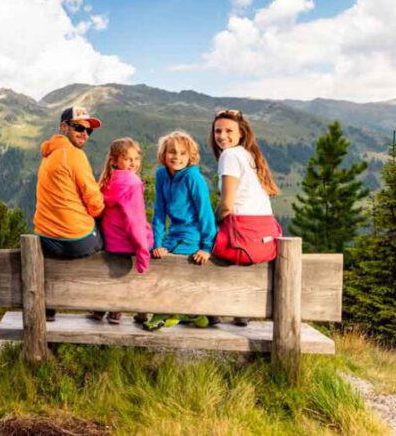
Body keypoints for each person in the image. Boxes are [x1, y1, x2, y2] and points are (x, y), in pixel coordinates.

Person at [209, 109, 282, 326]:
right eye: (217, 131)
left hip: (243, 236)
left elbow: (227, 206)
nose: (222, 136)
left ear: (241, 133)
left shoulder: (229, 155)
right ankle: (241, 308)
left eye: (228, 130)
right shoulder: (249, 155)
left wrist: (211, 222)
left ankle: (208, 309)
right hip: (265, 236)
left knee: (199, 242)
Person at [34, 105, 106, 321]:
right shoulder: (74, 155)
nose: (84, 133)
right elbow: (95, 203)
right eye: (78, 127)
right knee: (110, 232)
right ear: (64, 126)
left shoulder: (49, 153)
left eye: (88, 130)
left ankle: (49, 306)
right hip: (75, 240)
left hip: (45, 238)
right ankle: (103, 303)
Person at [143, 131, 217, 330]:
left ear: (190, 156)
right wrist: (157, 243)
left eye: (183, 153)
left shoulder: (194, 178)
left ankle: (167, 312)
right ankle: (188, 314)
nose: (177, 157)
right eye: (172, 152)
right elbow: (159, 211)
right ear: (163, 154)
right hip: (172, 235)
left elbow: (206, 214)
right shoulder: (161, 175)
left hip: (193, 235)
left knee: (174, 267)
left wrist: (207, 247)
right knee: (155, 257)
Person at [87, 138, 153, 325]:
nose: (133, 163)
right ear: (115, 160)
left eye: (136, 159)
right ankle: (121, 308)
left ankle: (102, 308)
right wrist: (143, 252)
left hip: (110, 241)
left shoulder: (107, 180)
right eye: (128, 159)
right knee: (155, 242)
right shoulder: (132, 183)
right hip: (126, 243)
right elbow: (135, 222)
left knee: (112, 267)